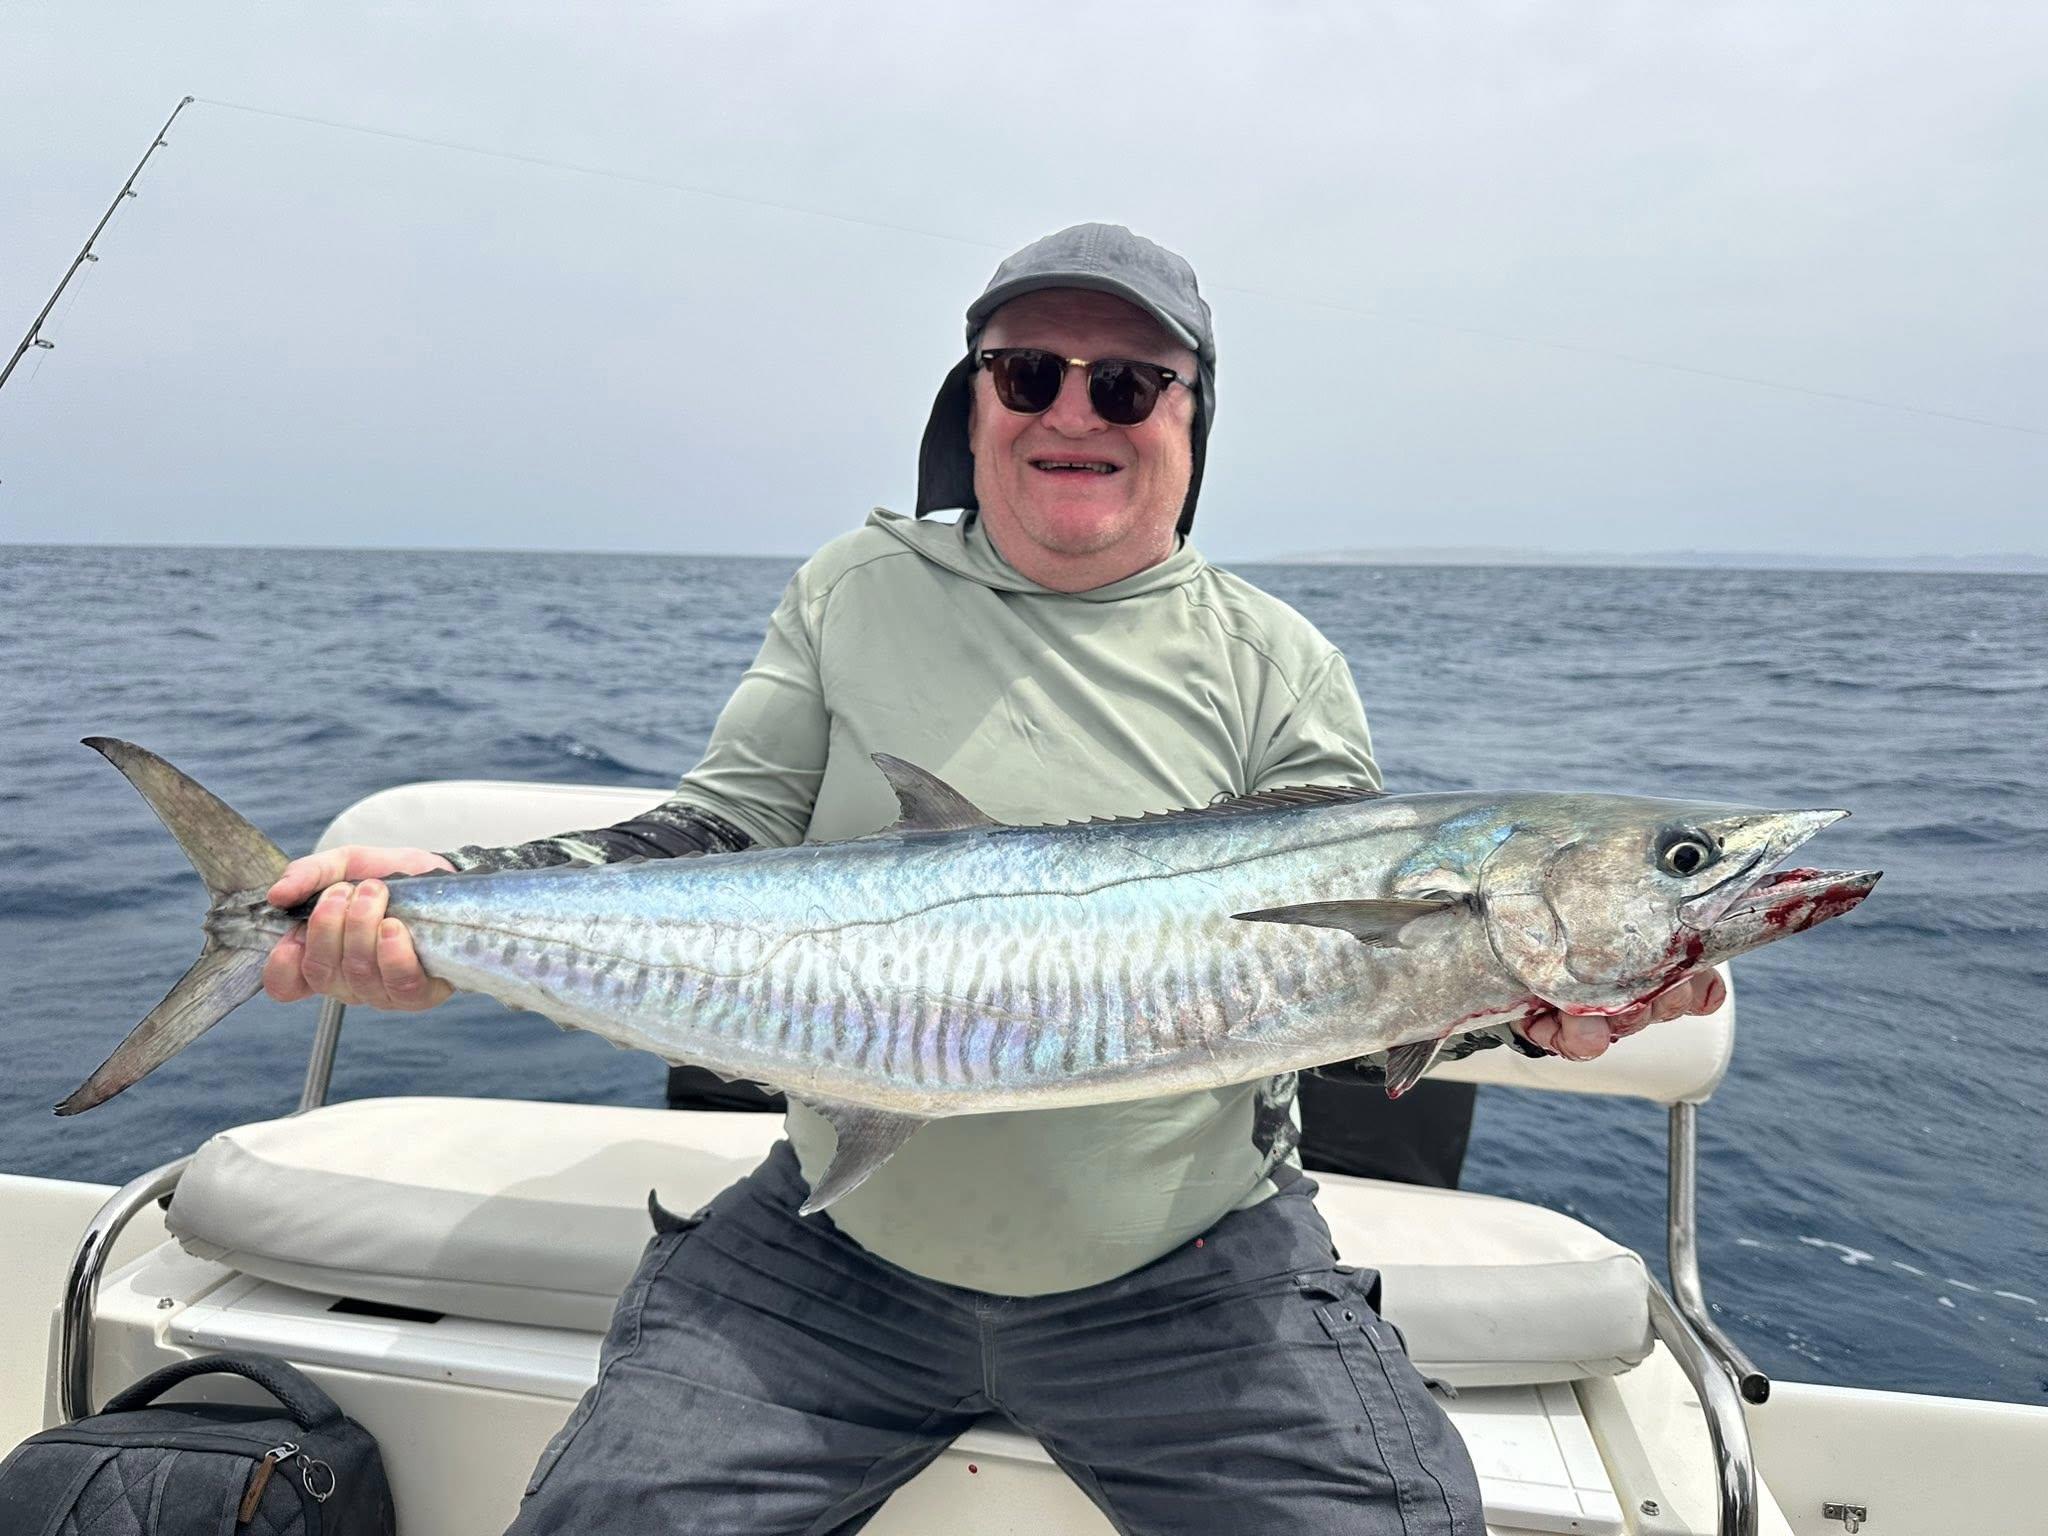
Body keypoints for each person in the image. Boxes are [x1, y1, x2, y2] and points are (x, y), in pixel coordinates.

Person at [262, 223, 1721, 1535]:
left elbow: (1334, 975)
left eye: (1128, 385)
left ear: (1192, 421)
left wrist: (1523, 1011)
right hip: (831, 1255)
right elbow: (718, 832)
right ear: (972, 407)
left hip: (1192, 1274)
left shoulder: (1275, 661)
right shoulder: (853, 589)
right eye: (1029, 375)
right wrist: (454, 897)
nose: (1075, 412)